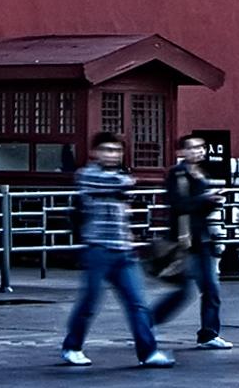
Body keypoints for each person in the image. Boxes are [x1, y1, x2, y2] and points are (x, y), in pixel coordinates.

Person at [56, 130, 174, 368]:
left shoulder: (120, 176)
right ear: (95, 152)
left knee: (137, 303)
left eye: (117, 151)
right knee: (89, 301)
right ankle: (72, 346)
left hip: (123, 250)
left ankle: (148, 352)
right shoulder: (88, 175)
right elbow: (117, 183)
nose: (113, 155)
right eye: (107, 150)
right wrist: (126, 182)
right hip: (98, 248)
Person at [153, 131, 236, 347]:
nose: (198, 151)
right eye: (192, 147)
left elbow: (198, 209)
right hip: (183, 240)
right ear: (182, 152)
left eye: (201, 147)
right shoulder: (177, 175)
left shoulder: (201, 175)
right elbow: (179, 205)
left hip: (202, 239)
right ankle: (146, 323)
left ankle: (209, 334)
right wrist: (205, 199)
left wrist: (212, 200)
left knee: (211, 288)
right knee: (182, 291)